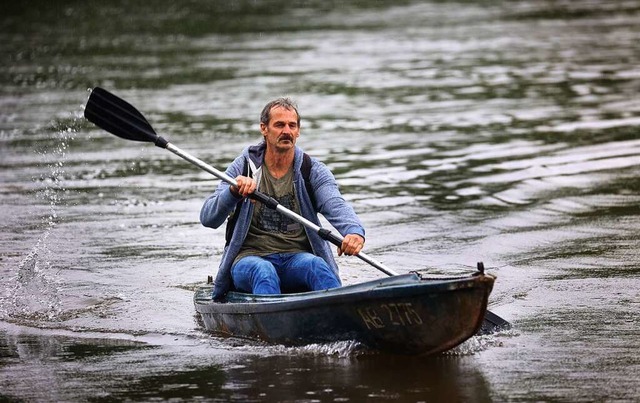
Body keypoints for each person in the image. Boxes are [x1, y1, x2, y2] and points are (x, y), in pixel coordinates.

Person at [200, 98, 365, 299]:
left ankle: (342, 314)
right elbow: (208, 218)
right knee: (264, 272)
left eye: (291, 125)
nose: (286, 131)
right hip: (249, 259)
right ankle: (272, 325)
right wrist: (233, 192)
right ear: (264, 129)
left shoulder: (311, 170)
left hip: (296, 258)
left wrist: (354, 232)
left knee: (317, 266)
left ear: (298, 131)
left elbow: (335, 203)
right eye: (279, 125)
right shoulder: (242, 167)